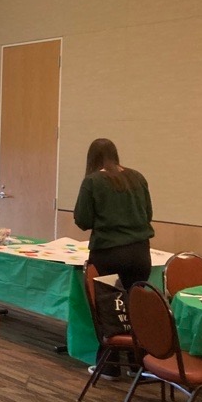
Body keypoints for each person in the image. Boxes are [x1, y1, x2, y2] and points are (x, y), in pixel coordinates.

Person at [73, 138, 154, 378]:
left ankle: (109, 366)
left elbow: (83, 220)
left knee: (109, 310)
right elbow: (148, 213)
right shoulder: (137, 177)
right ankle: (138, 364)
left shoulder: (92, 181)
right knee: (135, 308)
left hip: (108, 253)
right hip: (140, 252)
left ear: (92, 158)